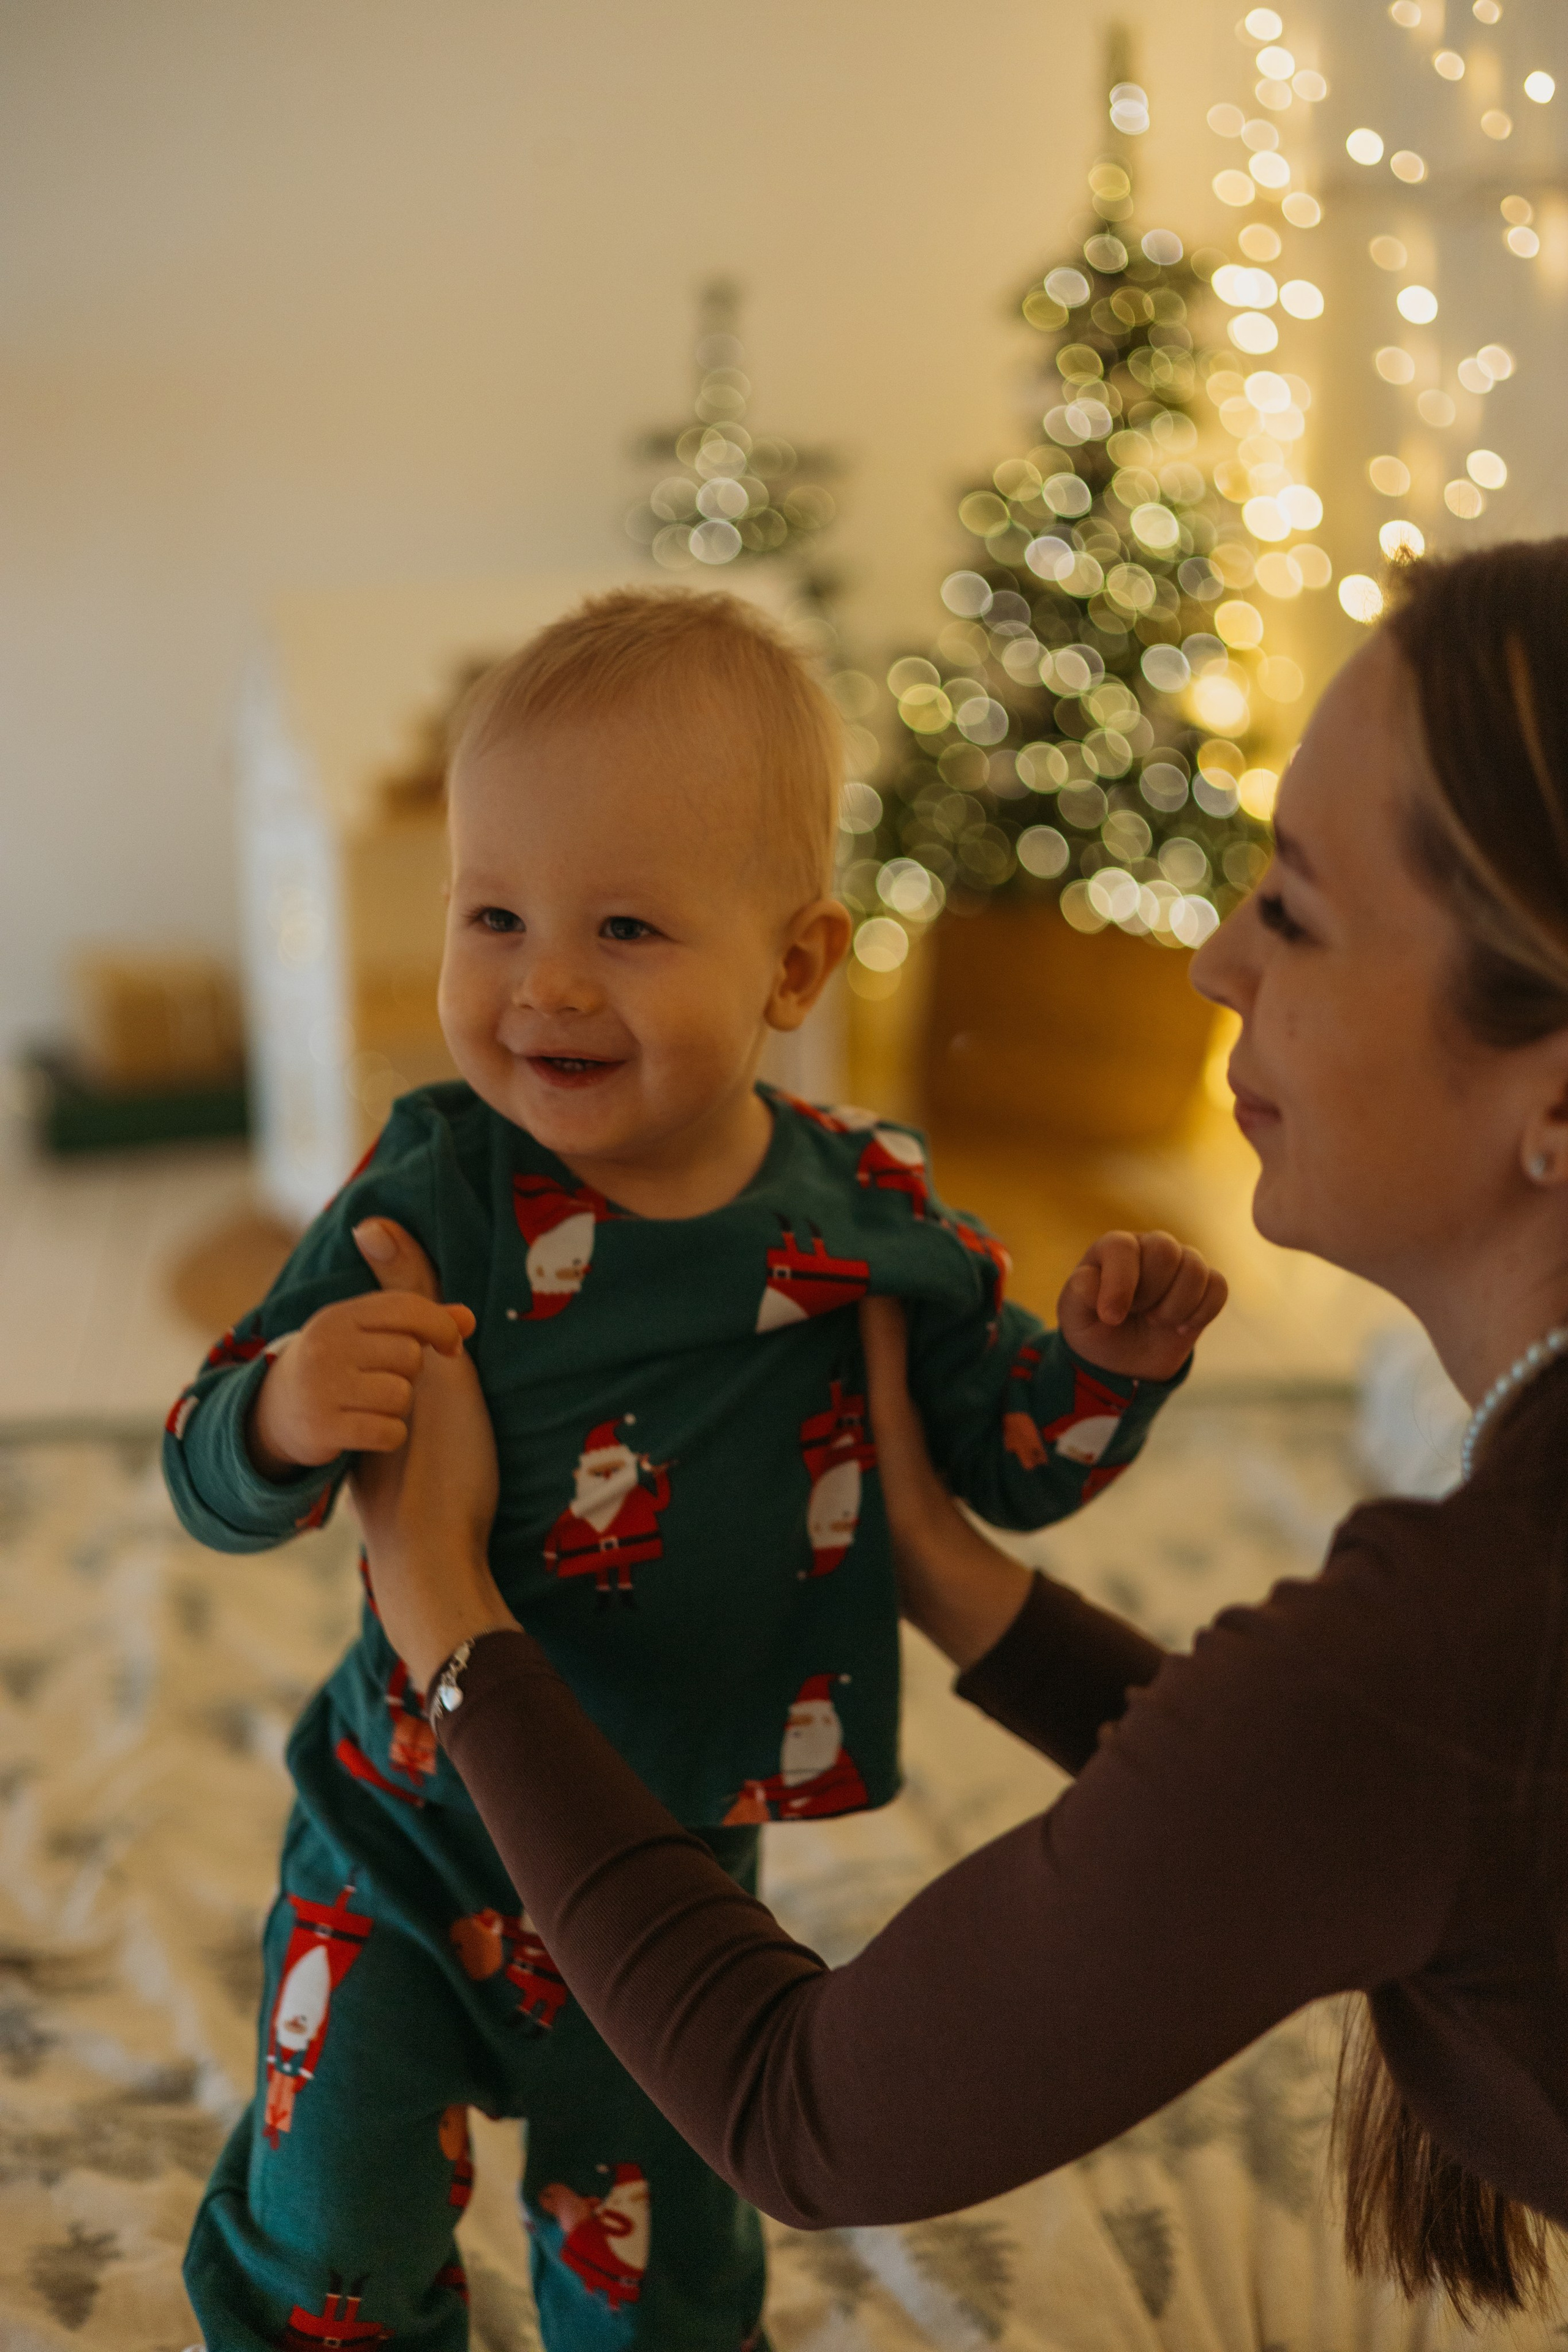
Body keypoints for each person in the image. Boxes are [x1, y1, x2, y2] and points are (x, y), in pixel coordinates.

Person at [349, 540, 1568, 2326]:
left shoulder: (1454, 1648)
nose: (1216, 960)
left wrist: (444, 1608)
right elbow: (1332, 1797)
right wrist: (951, 1576)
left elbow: (805, 2110)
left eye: (1296, 912)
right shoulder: (1449, 1675)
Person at [165, 587, 1224, 2351]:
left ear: (795, 969)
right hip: (399, 1842)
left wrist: (1105, 1372)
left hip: (672, 1885)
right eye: (494, 915)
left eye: (628, 927)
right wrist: (280, 1409)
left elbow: (1001, 1469)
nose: (546, 982)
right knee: (332, 2233)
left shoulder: (868, 1211)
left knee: (664, 2277)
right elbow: (202, 1458)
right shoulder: (433, 1189)